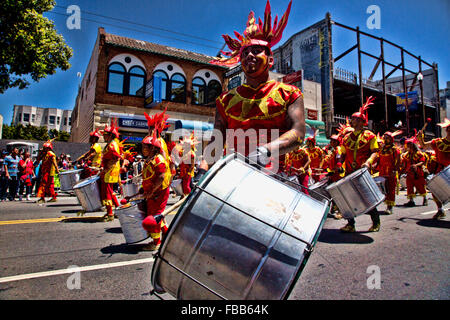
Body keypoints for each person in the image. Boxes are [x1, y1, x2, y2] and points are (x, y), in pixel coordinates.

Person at [209, 0, 305, 171]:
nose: (249, 55)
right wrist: (202, 170)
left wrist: (266, 151)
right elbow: (216, 143)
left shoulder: (289, 94)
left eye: (256, 50)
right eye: (244, 53)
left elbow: (298, 132)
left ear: (270, 59)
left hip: (276, 181)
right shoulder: (224, 100)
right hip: (235, 179)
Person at [339, 96, 381, 232]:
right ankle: (351, 224)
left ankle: (376, 222)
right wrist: (340, 163)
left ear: (363, 121)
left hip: (363, 171)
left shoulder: (370, 136)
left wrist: (369, 162)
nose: (353, 121)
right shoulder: (346, 138)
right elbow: (343, 154)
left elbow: (375, 152)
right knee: (348, 198)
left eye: (356, 119)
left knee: (367, 196)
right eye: (352, 119)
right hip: (349, 172)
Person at [139, 111, 173, 251]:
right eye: (149, 128)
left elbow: (163, 165)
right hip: (153, 185)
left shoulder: (160, 144)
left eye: (153, 128)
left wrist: (153, 188)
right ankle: (166, 233)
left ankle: (156, 242)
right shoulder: (151, 142)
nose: (150, 130)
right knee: (157, 213)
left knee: (154, 213)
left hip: (159, 185)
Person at [418, 118, 450, 219]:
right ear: (447, 130)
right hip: (440, 171)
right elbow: (423, 146)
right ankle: (440, 210)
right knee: (435, 190)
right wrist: (420, 138)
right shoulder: (438, 142)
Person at [372, 131, 402, 214]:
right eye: (384, 137)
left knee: (390, 189)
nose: (385, 139)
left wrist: (395, 170)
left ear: (391, 139)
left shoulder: (395, 149)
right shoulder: (381, 149)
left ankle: (390, 207)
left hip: (390, 172)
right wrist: (375, 165)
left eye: (387, 137)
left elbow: (399, 161)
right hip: (382, 171)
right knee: (383, 189)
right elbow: (379, 159)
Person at [100, 120, 122, 221]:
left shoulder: (112, 144)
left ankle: (110, 214)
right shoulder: (111, 144)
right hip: (110, 170)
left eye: (105, 134)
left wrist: (106, 168)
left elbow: (115, 158)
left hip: (110, 171)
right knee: (110, 191)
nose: (103, 136)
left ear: (110, 135)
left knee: (107, 192)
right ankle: (118, 210)